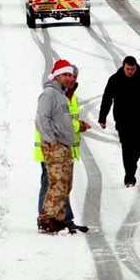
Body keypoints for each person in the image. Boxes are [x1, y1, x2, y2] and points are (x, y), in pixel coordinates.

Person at [36, 60, 88, 235]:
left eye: (70, 75)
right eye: (65, 75)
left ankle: (57, 219)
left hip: (65, 146)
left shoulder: (62, 96)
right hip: (55, 147)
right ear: (57, 76)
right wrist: (51, 141)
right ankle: (46, 219)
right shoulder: (49, 94)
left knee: (65, 184)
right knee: (57, 184)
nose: (69, 78)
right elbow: (41, 119)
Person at [98, 55, 140, 187]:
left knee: (138, 147)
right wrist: (102, 117)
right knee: (127, 148)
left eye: (132, 69)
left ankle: (131, 166)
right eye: (128, 69)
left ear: (136, 67)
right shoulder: (115, 79)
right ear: (123, 67)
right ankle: (129, 177)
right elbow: (107, 98)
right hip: (122, 121)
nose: (130, 71)